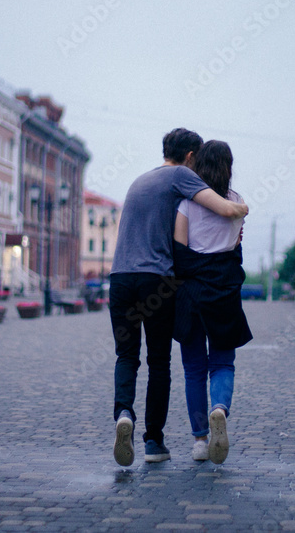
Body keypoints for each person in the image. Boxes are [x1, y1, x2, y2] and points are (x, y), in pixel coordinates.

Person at [110, 128, 249, 467]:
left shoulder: (141, 181)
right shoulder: (182, 179)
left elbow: (180, 241)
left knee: (128, 357)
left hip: (121, 279)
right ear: (190, 158)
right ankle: (154, 442)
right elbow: (229, 214)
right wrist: (242, 208)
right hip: (158, 281)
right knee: (161, 363)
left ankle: (125, 413)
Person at [172, 140, 252, 464]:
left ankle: (200, 440)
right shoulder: (237, 201)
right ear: (229, 168)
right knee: (222, 363)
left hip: (191, 295)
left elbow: (179, 253)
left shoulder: (186, 204)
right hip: (225, 292)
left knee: (193, 370)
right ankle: (219, 407)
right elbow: (235, 245)